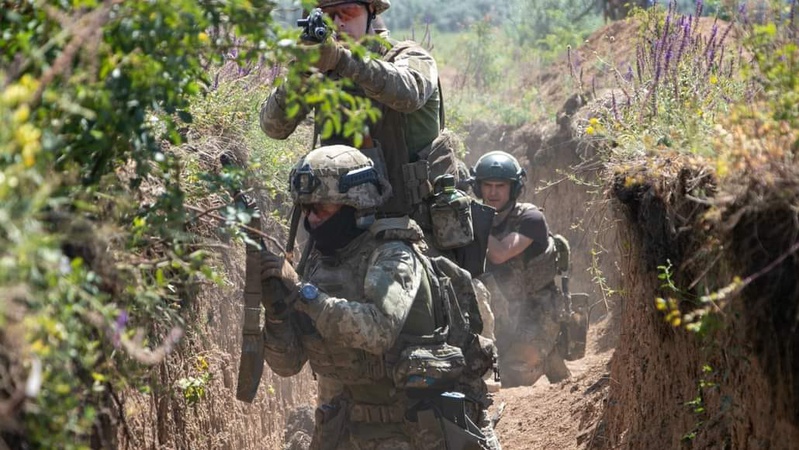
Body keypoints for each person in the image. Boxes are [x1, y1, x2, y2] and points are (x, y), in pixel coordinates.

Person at [260, 144, 501, 449]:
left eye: (321, 208)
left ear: (355, 203)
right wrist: (277, 310)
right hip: (352, 428)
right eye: (306, 209)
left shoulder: (394, 255)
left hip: (417, 430)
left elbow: (377, 331)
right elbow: (288, 365)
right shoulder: (317, 265)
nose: (312, 219)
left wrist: (301, 292)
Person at [260, 0, 441, 218]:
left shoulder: (410, 56)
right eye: (327, 15)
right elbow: (274, 127)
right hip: (341, 224)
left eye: (347, 12)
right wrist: (303, 74)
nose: (338, 23)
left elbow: (410, 93)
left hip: (410, 222)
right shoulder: (324, 68)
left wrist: (343, 60)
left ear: (371, 11)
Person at [471, 151, 571, 388]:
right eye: (487, 185)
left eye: (501, 186)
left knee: (512, 377)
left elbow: (500, 253)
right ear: (478, 187)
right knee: (477, 373)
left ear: (513, 189)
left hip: (536, 311)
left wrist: (473, 219)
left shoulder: (530, 218)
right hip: (499, 313)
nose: (493, 192)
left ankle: (548, 356)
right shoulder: (477, 216)